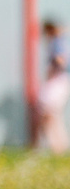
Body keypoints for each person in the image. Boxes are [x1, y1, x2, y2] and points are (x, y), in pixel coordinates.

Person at [36, 17, 67, 155]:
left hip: (58, 80)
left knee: (48, 113)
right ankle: (59, 146)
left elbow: (60, 61)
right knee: (52, 114)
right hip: (60, 80)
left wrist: (51, 72)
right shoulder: (60, 41)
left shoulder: (57, 42)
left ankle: (58, 147)